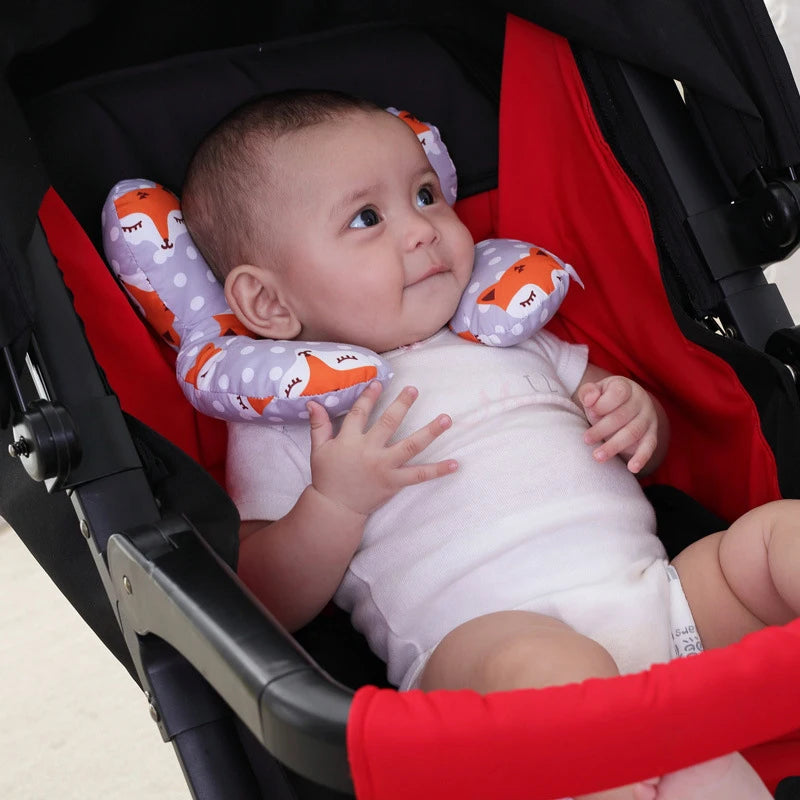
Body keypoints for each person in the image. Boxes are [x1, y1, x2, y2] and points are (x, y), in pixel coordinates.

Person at [182, 89, 797, 800]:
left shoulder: (508, 334)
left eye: (425, 194)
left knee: (776, 536)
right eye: (367, 217)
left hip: (659, 604)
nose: (421, 229)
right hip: (493, 656)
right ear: (270, 303)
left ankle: (678, 761)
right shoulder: (293, 417)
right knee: (551, 669)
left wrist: (637, 414)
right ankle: (672, 771)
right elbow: (261, 596)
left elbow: (640, 447)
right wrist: (334, 502)